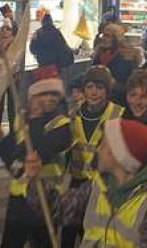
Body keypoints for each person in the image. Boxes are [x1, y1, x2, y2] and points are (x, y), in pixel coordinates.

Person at [0, 66, 72, 248]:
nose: (49, 99)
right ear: (32, 96)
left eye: (54, 94)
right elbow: (9, 157)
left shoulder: (62, 125)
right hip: (19, 197)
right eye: (43, 94)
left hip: (46, 198)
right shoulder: (21, 119)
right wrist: (0, 141)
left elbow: (39, 150)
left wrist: (35, 120)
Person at [72, 119, 147, 247]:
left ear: (119, 155)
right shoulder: (97, 187)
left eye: (103, 145)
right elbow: (60, 208)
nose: (98, 150)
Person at [62, 66, 124, 248]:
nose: (94, 92)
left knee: (91, 232)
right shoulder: (73, 114)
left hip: (103, 184)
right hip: (77, 182)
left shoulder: (118, 114)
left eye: (99, 87)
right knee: (68, 231)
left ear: (107, 90)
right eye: (89, 87)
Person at [92, 24, 140, 107]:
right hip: (98, 101)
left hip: (118, 102)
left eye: (107, 36)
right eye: (103, 35)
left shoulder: (127, 57)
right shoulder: (98, 55)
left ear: (116, 38)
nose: (103, 38)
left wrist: (114, 85)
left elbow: (132, 85)